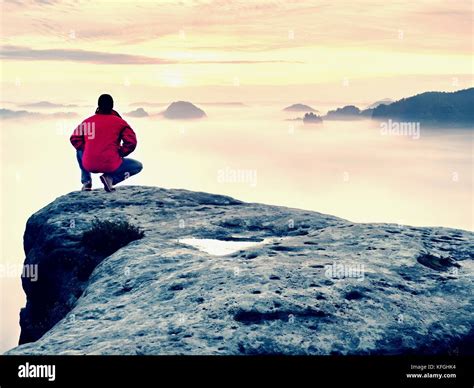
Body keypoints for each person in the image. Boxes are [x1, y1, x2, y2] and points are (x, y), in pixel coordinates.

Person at [70, 94, 143, 192]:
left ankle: (86, 182)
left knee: (79, 150)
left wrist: (87, 148)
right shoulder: (120, 122)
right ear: (112, 106)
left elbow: (74, 138)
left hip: (89, 163)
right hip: (111, 164)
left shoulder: (88, 122)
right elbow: (131, 142)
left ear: (98, 105)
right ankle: (110, 178)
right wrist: (120, 152)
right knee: (137, 166)